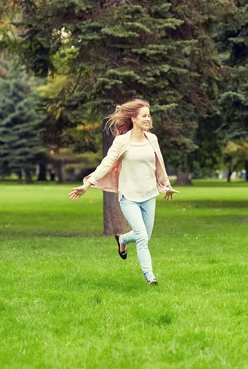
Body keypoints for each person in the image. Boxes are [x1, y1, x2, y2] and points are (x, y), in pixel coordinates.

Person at [68, 99, 179, 285]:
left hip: (149, 194)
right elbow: (107, 163)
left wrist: (166, 185)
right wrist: (88, 184)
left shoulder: (152, 139)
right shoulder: (122, 141)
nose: (148, 119)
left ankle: (122, 239)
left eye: (149, 115)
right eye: (144, 115)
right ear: (133, 119)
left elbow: (159, 163)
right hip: (129, 196)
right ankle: (150, 277)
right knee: (142, 236)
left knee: (145, 235)